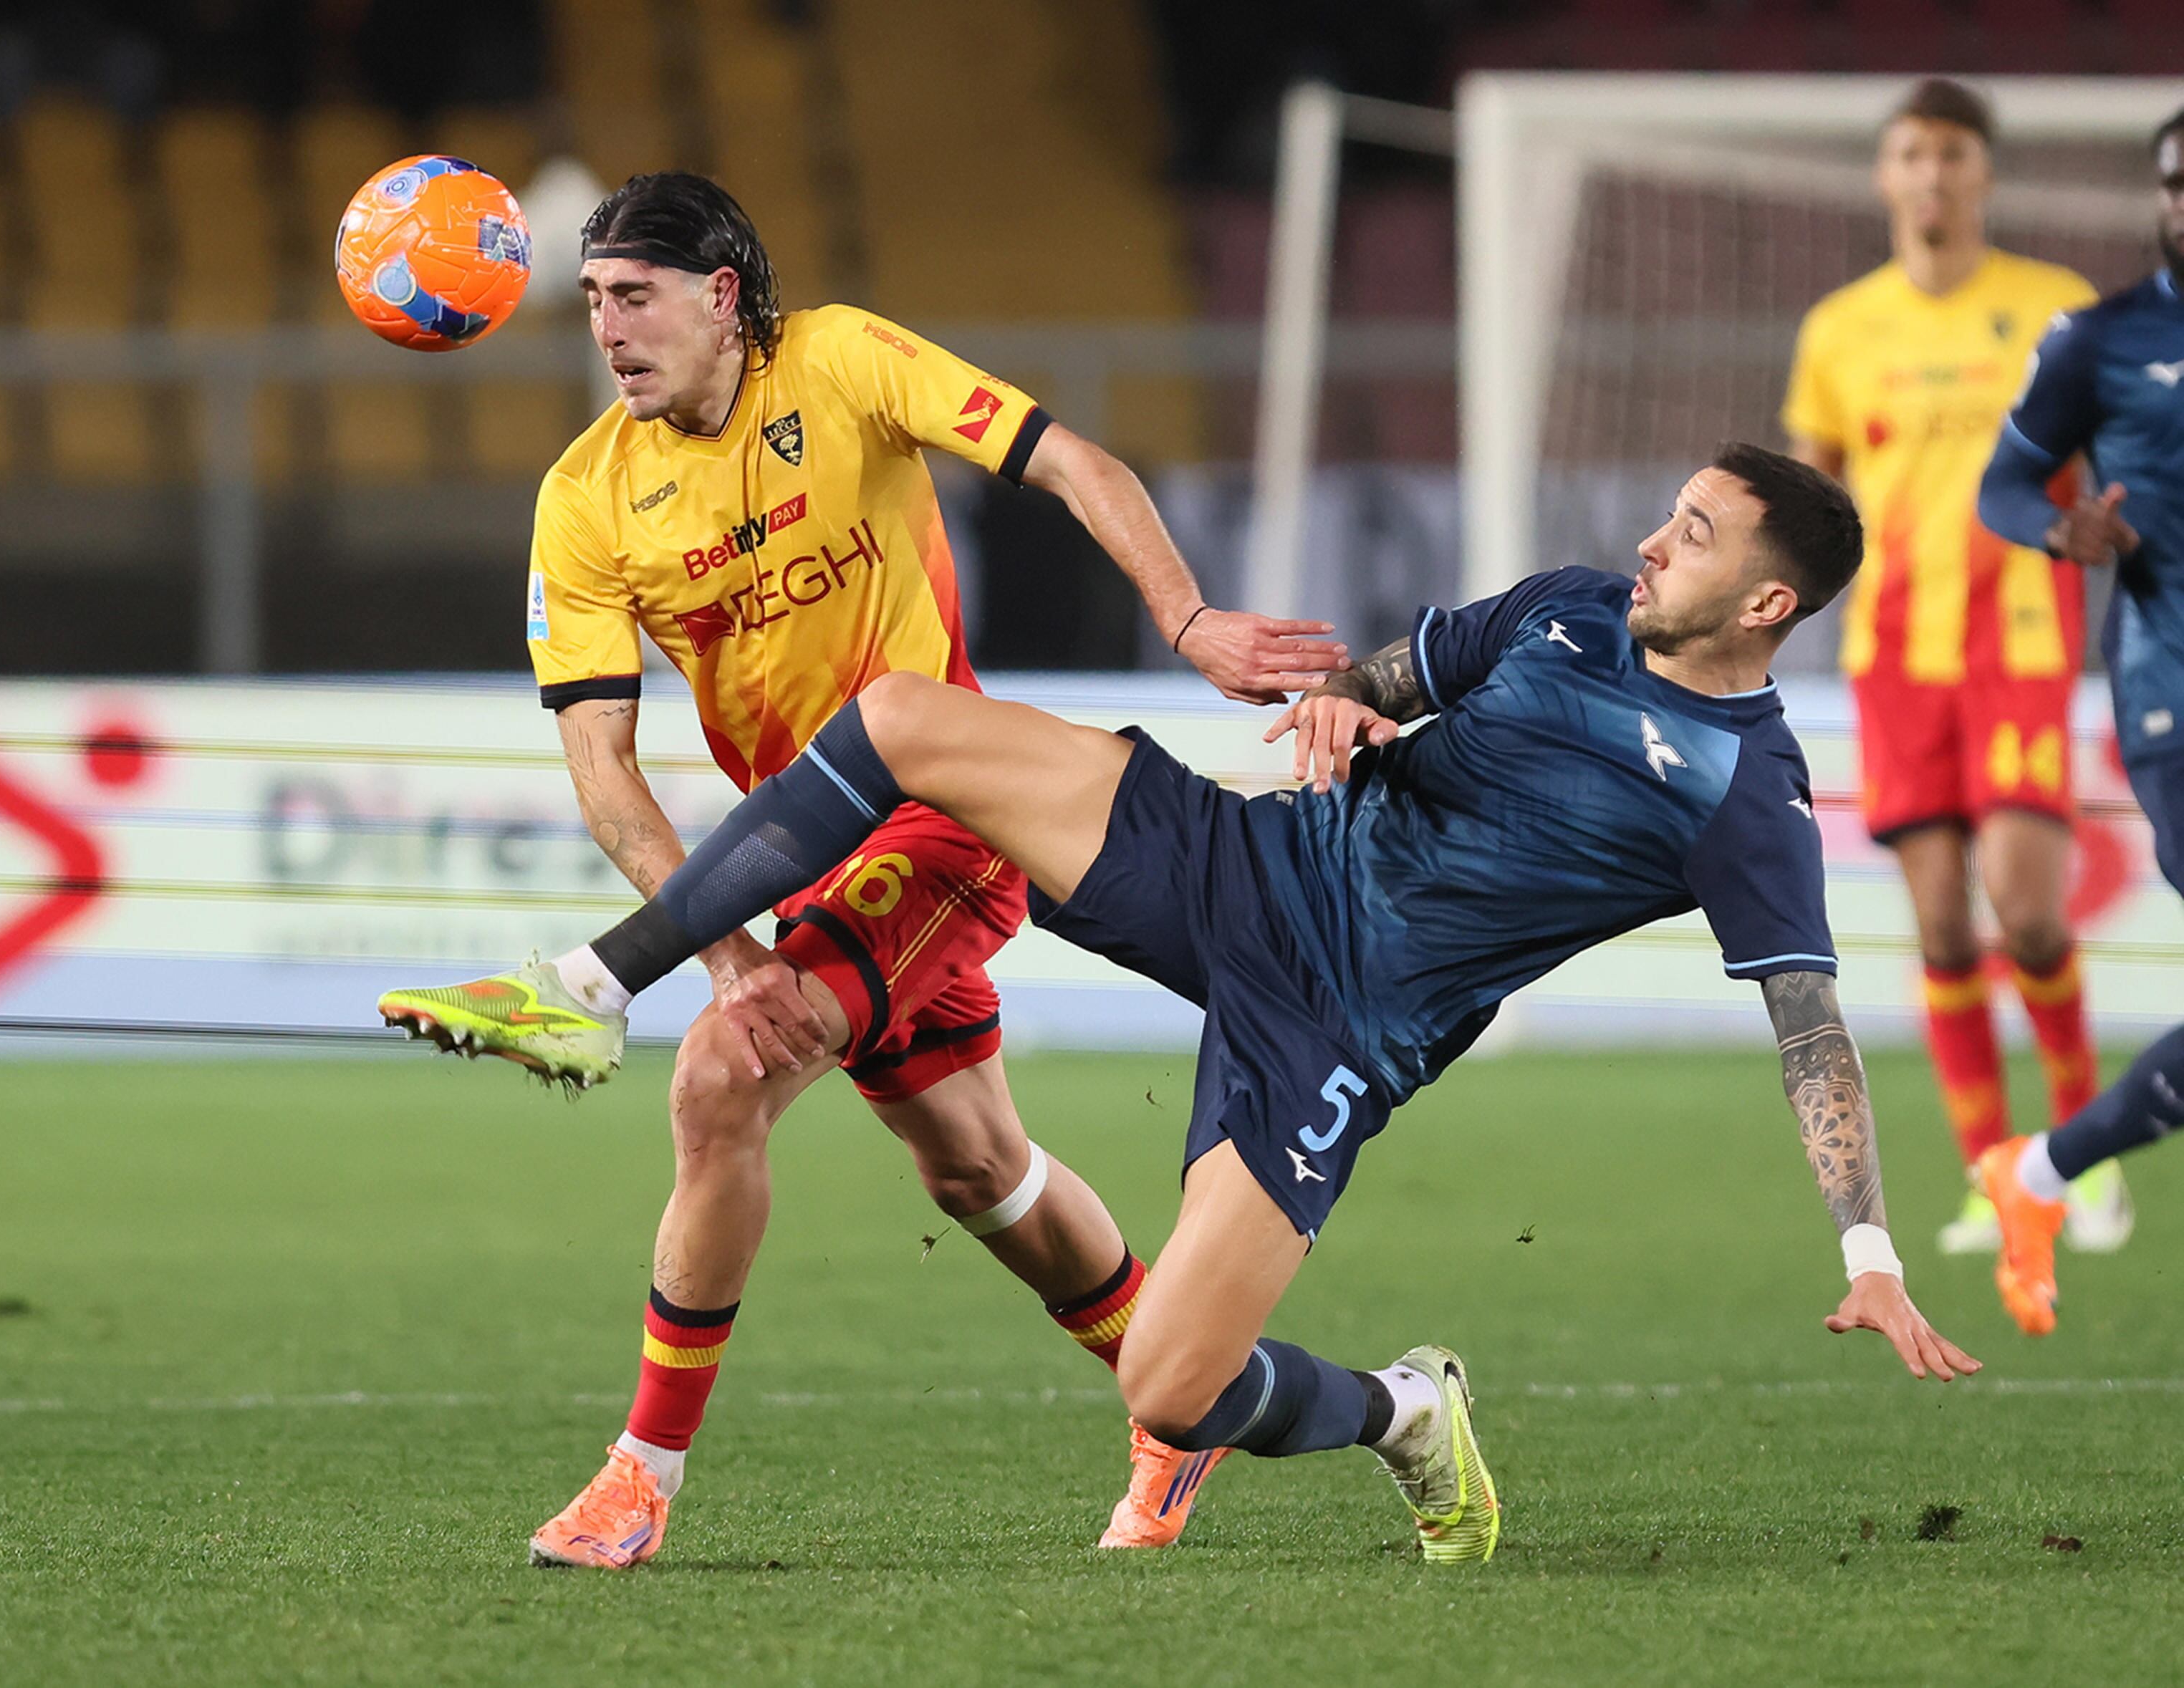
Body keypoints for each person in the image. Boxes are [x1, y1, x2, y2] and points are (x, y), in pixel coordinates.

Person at [394, 443, 1981, 1559]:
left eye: (1697, 533)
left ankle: (1403, 1415)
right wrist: (1346, 714)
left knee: (1174, 1383)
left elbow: (1812, 1028)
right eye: (1672, 515)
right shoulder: (1562, 606)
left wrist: (1870, 1249)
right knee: (905, 720)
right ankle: (598, 981)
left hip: (1342, 1028)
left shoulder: (1745, 796)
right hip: (1241, 865)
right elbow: (1378, 678)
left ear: (1768, 605)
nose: (1655, 541)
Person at [379, 172, 1349, 1567]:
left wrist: (1186, 616)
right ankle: (1210, 1407)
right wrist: (726, 946)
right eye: (592, 301)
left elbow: (1077, 462)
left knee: (720, 1078)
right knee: (978, 1170)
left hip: (954, 822)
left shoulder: (838, 361)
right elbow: (604, 766)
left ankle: (638, 1480)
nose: (609, 329)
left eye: (637, 296)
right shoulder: (587, 499)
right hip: (805, 867)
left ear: (723, 298)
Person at [1782, 77, 2130, 1257]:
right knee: (1940, 931)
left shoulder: (2058, 311)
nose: (1931, 175)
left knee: (2028, 915)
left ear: (1983, 174)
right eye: (1911, 155)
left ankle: (2084, 1156)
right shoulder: (1840, 330)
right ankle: (1999, 1179)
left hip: (2023, 643)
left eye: (1952, 155)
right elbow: (1807, 498)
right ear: (1885, 175)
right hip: (1895, 656)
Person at [1971, 105, 2184, 1336]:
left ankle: (2037, 1171)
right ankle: (2038, 1170)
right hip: (2175, 699)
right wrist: (2063, 529)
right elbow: (2005, 479)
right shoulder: (2101, 340)